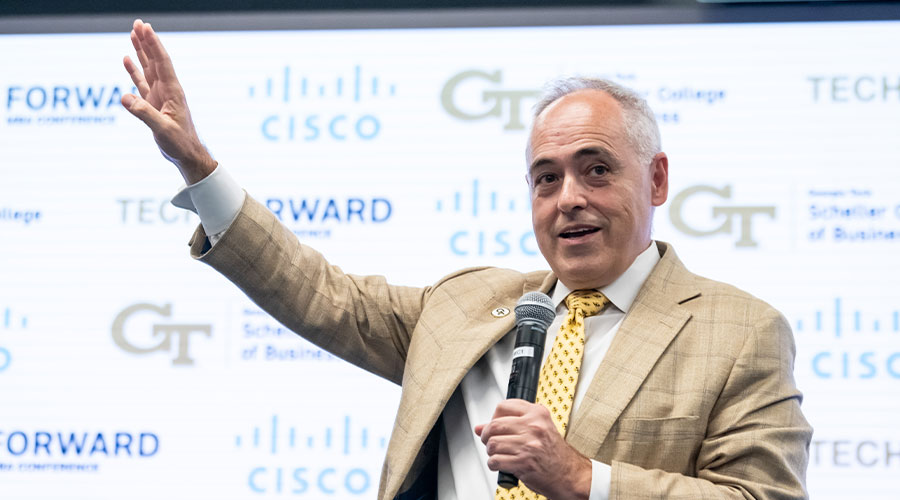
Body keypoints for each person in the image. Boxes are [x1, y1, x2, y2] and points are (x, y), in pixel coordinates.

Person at [121, 19, 811, 500]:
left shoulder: (737, 330)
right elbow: (314, 290)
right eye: (546, 178)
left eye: (596, 170)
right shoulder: (464, 307)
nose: (568, 198)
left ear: (656, 180)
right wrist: (198, 167)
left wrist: (581, 480)